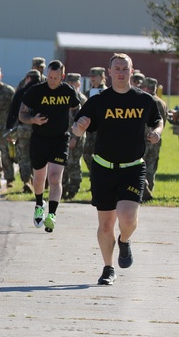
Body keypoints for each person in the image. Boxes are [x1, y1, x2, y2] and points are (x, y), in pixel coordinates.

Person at [71, 53, 162, 285]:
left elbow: (157, 120)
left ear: (132, 72)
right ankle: (108, 268)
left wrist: (156, 133)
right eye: (117, 69)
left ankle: (124, 240)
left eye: (125, 68)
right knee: (105, 224)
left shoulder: (144, 100)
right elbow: (78, 127)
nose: (121, 72)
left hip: (132, 167)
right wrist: (79, 129)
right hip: (103, 168)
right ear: (109, 73)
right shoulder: (99, 100)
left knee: (128, 219)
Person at [19, 60, 80, 233]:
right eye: (50, 77)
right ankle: (39, 204)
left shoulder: (68, 91)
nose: (52, 81)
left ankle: (51, 215)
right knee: (39, 179)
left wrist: (78, 124)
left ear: (62, 75)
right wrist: (33, 120)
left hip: (60, 140)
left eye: (56, 77)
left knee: (54, 178)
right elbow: (22, 114)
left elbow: (76, 109)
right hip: (39, 140)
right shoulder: (36, 91)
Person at [7, 69, 42, 194]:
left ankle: (27, 180)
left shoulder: (21, 92)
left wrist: (9, 128)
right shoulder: (42, 92)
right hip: (38, 129)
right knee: (37, 157)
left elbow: (13, 112)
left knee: (24, 157)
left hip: (23, 129)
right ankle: (39, 182)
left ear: (27, 78)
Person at [141, 76, 168, 201]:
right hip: (157, 139)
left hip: (145, 138)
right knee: (151, 166)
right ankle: (149, 190)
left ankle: (144, 192)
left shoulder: (145, 100)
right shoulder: (162, 102)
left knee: (140, 166)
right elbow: (164, 120)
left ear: (146, 87)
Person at [62, 72, 87, 200]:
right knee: (63, 163)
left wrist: (75, 138)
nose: (71, 85)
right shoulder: (64, 98)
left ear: (79, 83)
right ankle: (63, 187)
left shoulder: (82, 99)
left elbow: (82, 121)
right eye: (69, 82)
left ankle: (73, 188)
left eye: (74, 82)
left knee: (74, 163)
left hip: (77, 136)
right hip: (64, 135)